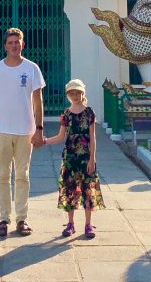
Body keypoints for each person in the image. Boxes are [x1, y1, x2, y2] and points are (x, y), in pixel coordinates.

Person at [0, 27, 45, 236]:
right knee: (3, 176)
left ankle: (21, 219)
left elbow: (37, 100)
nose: (14, 46)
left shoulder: (32, 68)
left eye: (17, 42)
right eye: (10, 42)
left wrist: (39, 129)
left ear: (22, 44)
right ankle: (4, 219)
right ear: (5, 46)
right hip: (1, 130)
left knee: (22, 176)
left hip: (25, 130)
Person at [44, 78, 104, 238]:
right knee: (70, 189)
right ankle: (70, 224)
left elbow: (92, 137)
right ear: (68, 95)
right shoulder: (66, 114)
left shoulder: (89, 112)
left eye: (78, 93)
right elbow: (60, 136)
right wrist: (44, 141)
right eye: (72, 93)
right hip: (70, 156)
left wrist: (92, 159)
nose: (75, 96)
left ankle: (88, 224)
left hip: (85, 157)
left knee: (88, 189)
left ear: (82, 93)